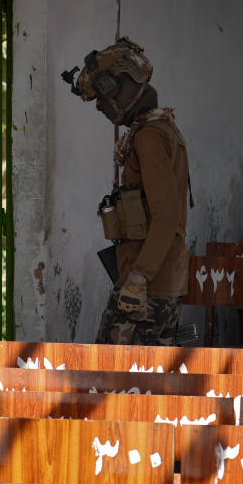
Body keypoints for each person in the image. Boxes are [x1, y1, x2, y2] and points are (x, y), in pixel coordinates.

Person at [63, 38, 191, 345]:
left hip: (148, 285)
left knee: (113, 379)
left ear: (128, 86)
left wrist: (139, 277)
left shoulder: (149, 137)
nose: (101, 105)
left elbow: (167, 215)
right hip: (154, 279)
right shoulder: (159, 129)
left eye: (105, 94)